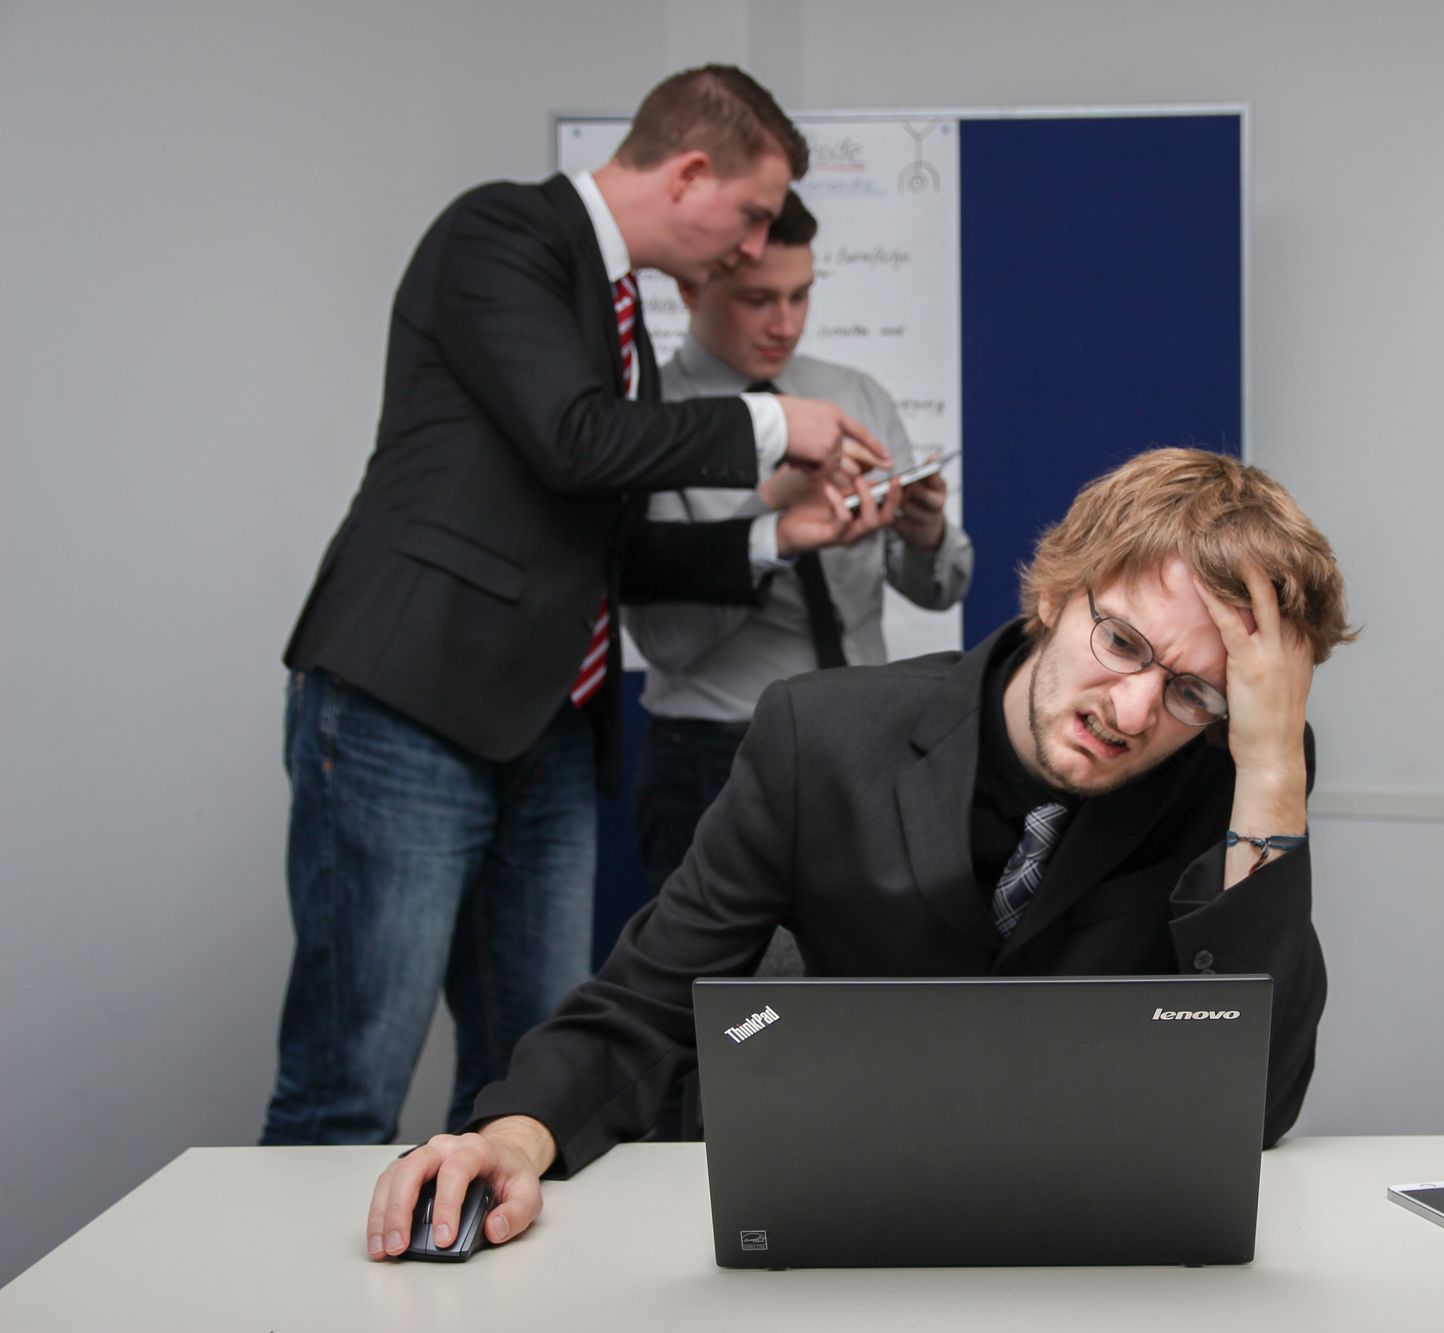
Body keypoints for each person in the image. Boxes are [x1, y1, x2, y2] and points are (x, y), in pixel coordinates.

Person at [364, 448, 1356, 1259]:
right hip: (834, 1225)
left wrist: (1270, 768)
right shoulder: (821, 738)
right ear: (1057, 591)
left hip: (1083, 1242)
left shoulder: (1235, 776)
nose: (1135, 710)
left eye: (1193, 692)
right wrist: (509, 1135)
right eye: (1123, 643)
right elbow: (646, 997)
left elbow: (1252, 1109)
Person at [264, 65, 892, 1147]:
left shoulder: (616, 321)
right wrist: (779, 425)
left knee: (527, 1086)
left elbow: (610, 542)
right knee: (348, 1082)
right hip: (410, 708)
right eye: (748, 216)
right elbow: (573, 442)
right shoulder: (499, 236)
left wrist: (775, 535)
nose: (752, 249)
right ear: (690, 171)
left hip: (549, 731)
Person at [625, 188, 974, 900]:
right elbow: (666, 641)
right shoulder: (651, 421)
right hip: (717, 754)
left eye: (801, 295)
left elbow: (941, 587)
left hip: (869, 743)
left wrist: (924, 530)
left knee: (874, 992)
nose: (785, 322)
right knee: (720, 1000)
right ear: (691, 287)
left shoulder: (854, 393)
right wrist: (772, 519)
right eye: (757, 299)